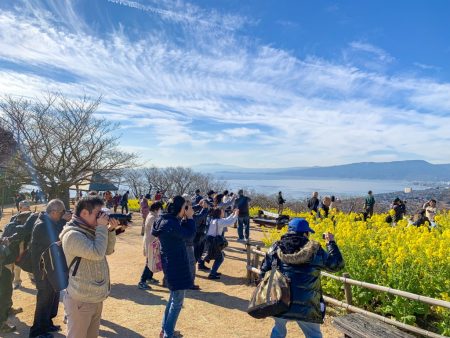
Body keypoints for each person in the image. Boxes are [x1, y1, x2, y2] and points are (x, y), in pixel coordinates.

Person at [259, 218, 344, 338]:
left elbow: (262, 272)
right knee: (313, 334)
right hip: (307, 305)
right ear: (305, 233)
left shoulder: (275, 248)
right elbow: (337, 265)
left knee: (278, 329)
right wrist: (331, 243)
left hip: (279, 300)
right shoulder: (315, 250)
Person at [59, 196, 119, 338]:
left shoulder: (89, 229)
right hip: (81, 299)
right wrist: (102, 228)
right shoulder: (73, 235)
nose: (101, 217)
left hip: (95, 297)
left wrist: (110, 230)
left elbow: (107, 251)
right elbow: (97, 253)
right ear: (84, 213)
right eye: (98, 214)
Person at [152, 196, 196, 338]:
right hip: (177, 266)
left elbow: (180, 233)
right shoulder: (171, 224)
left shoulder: (165, 220)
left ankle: (165, 330)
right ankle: (168, 334)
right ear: (179, 208)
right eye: (185, 207)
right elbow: (189, 235)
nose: (187, 209)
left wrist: (183, 217)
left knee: (173, 299)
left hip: (171, 264)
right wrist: (189, 218)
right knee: (177, 303)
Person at [29, 199, 72, 338]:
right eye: (62, 212)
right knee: (44, 300)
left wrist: (62, 220)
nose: (63, 215)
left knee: (52, 297)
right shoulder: (42, 225)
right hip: (43, 271)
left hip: (51, 269)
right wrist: (64, 221)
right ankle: (36, 332)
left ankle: (47, 324)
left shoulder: (50, 222)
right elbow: (57, 238)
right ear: (53, 212)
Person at [200, 208, 239, 280]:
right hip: (214, 242)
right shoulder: (219, 221)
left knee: (220, 256)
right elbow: (230, 222)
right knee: (220, 258)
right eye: (222, 211)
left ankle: (213, 271)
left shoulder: (214, 220)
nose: (223, 212)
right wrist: (236, 214)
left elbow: (226, 219)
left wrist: (232, 214)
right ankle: (212, 273)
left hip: (209, 240)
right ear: (219, 213)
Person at [139, 201, 163, 290]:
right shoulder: (152, 217)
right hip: (151, 243)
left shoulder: (152, 215)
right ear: (157, 209)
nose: (161, 210)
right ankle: (142, 281)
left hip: (151, 241)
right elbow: (157, 229)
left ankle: (149, 277)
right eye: (160, 209)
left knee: (152, 260)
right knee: (150, 261)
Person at [194, 200, 210, 271]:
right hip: (197, 235)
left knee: (202, 250)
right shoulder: (196, 212)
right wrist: (204, 208)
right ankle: (191, 267)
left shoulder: (204, 210)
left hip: (202, 233)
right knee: (196, 252)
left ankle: (201, 265)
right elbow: (199, 218)